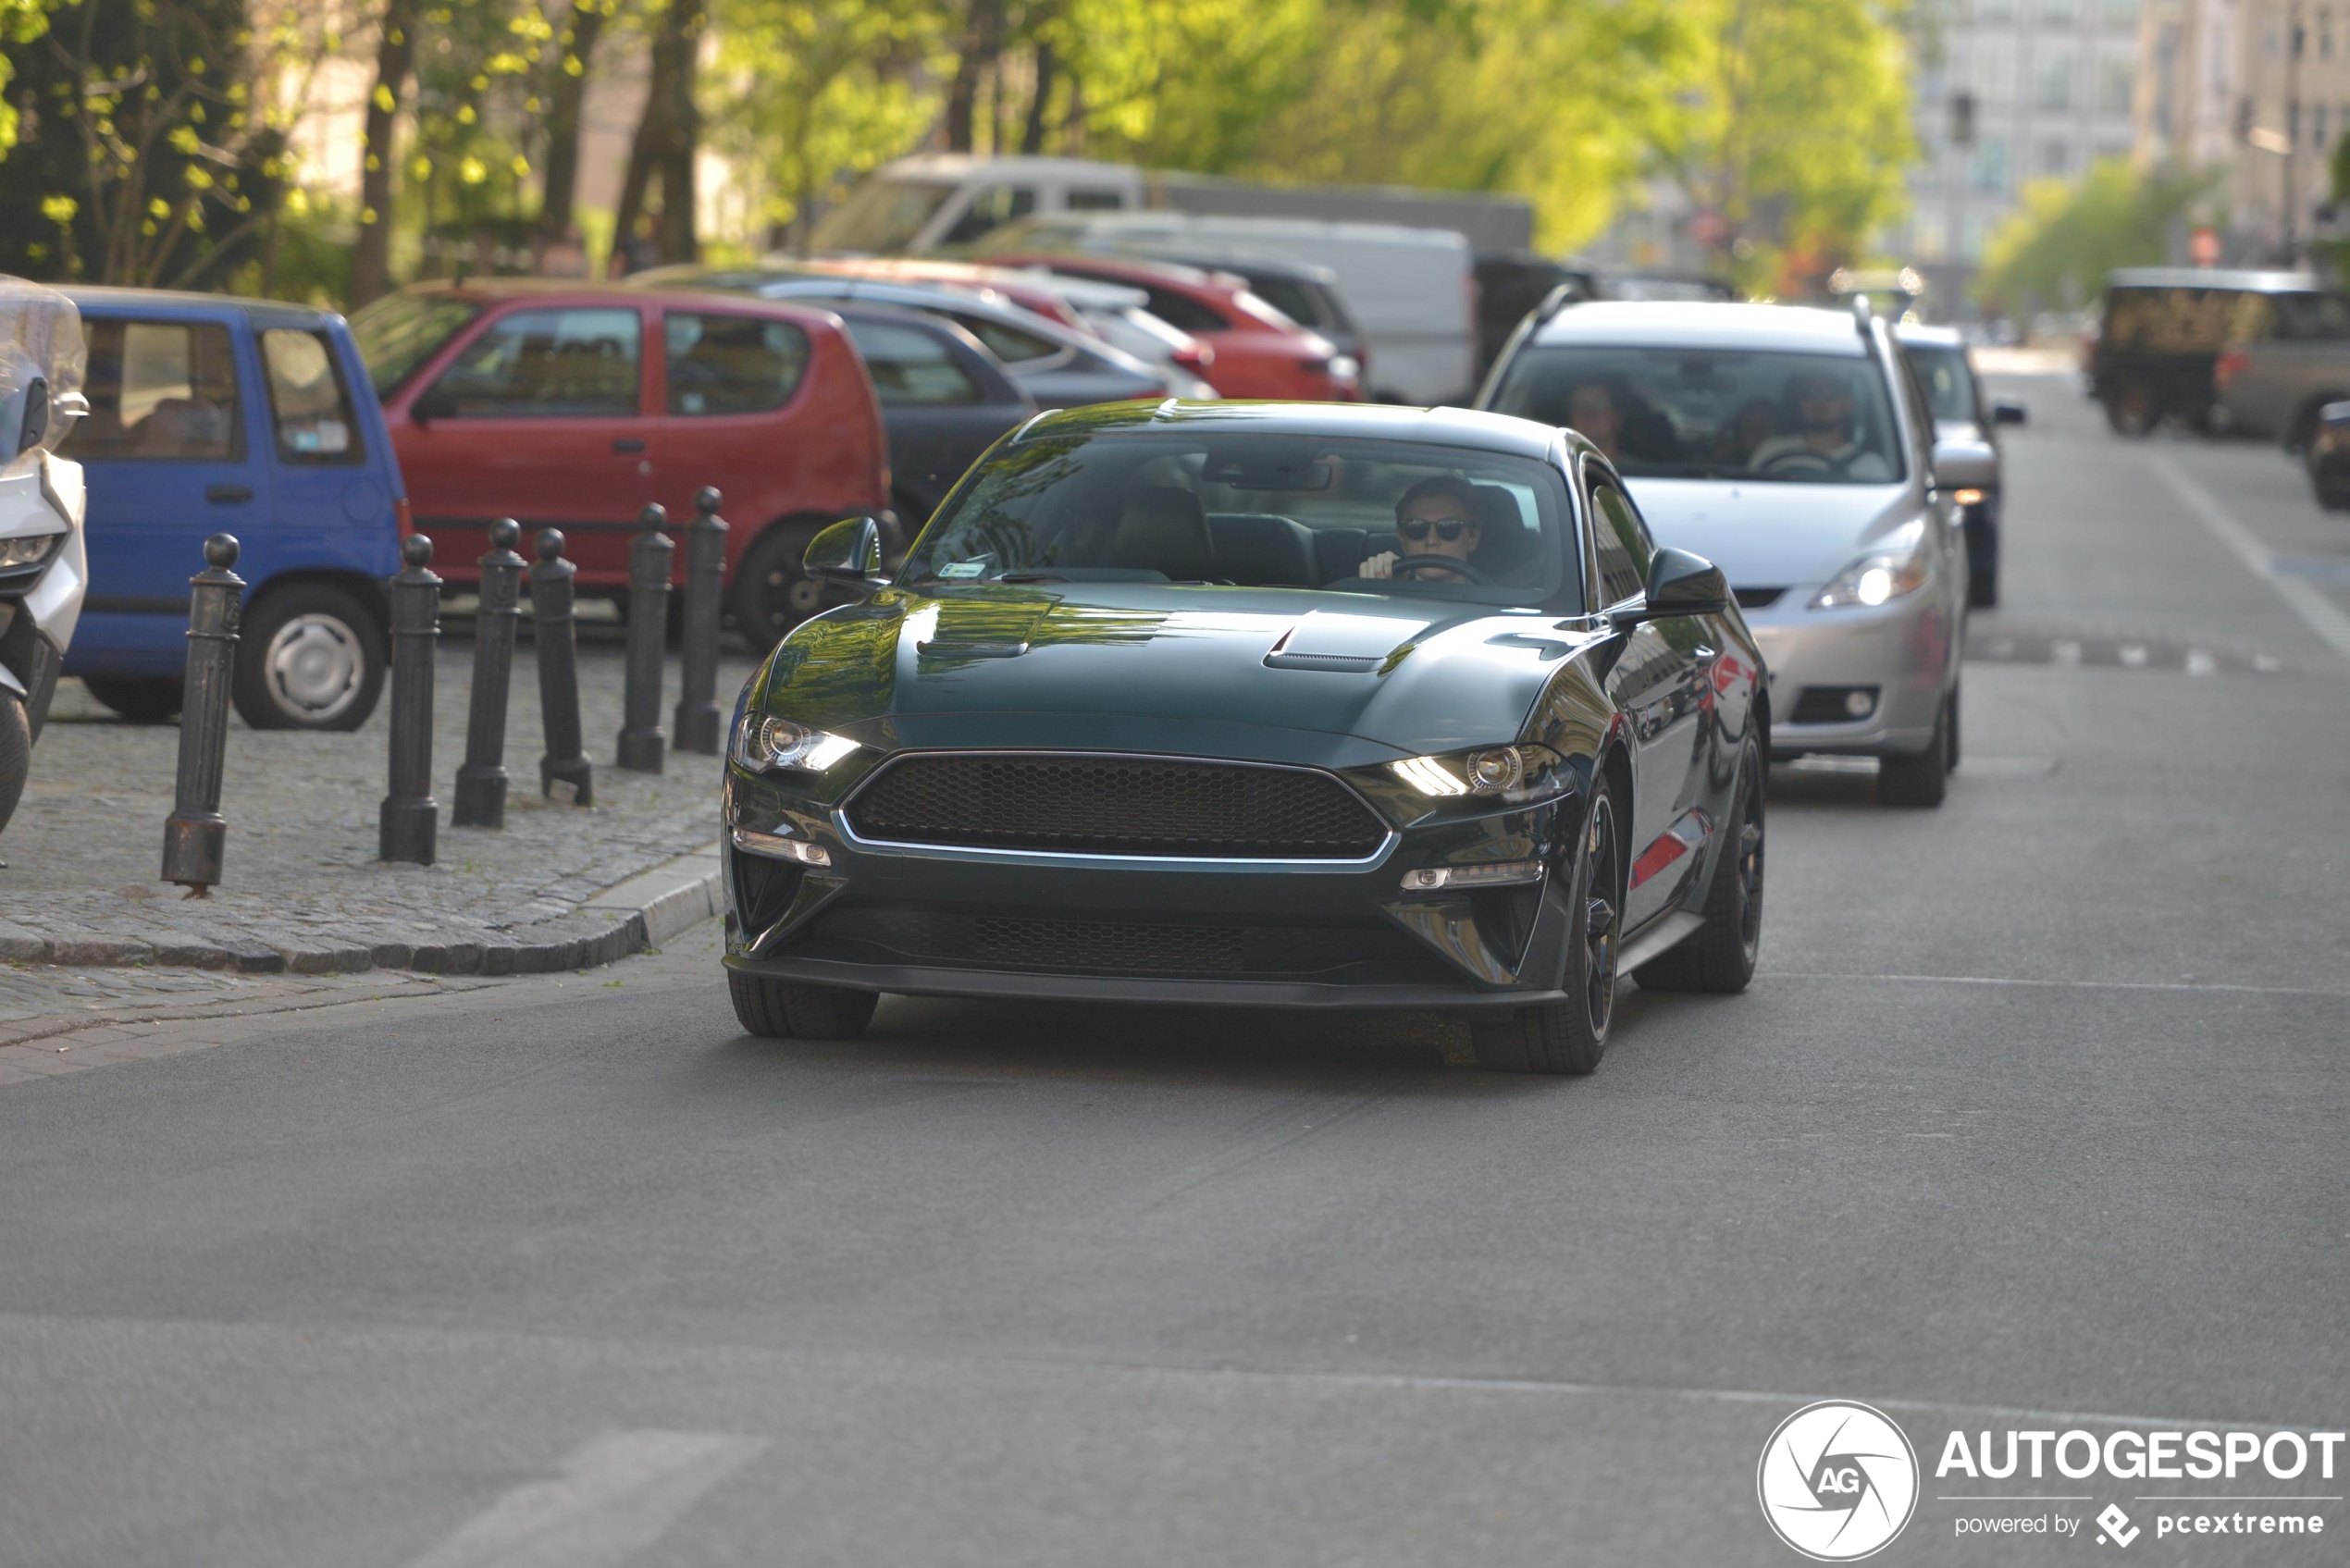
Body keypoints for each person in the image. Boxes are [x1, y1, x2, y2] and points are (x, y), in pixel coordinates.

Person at [1747, 369, 1893, 479]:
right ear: (1799, 404)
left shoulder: (1871, 466)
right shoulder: (1770, 450)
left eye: (1830, 393)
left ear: (1848, 405)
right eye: (1809, 393)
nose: (1819, 401)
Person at [1363, 474, 1484, 583]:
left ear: (1472, 537)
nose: (1431, 541)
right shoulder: (1389, 585)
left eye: (1448, 527)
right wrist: (1376, 587)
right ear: (1401, 537)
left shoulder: (1494, 603)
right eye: (1416, 528)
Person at [1564, 379, 1625, 463]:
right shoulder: (1562, 470)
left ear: (1617, 417)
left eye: (1600, 405)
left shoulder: (1641, 472)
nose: (1590, 413)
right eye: (1581, 408)